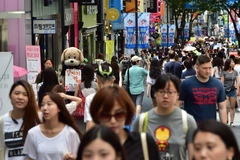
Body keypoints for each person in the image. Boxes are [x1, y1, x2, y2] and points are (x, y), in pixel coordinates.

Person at [133, 74, 197, 160]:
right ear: (155, 93)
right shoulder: (141, 121)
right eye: (161, 92)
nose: (165, 96)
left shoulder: (188, 121)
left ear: (177, 95)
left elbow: (193, 155)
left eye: (170, 92)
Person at [90, 86, 159, 160]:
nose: (113, 121)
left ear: (127, 114)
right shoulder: (90, 147)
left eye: (119, 114)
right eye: (105, 115)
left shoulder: (144, 143)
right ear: (97, 116)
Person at [23, 92, 82, 160]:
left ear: (59, 108)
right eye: (42, 105)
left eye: (49, 104)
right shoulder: (32, 133)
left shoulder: (70, 133)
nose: (45, 108)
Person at [176, 55, 227, 123]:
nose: (208, 71)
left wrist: (224, 129)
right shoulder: (186, 84)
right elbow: (176, 105)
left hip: (211, 127)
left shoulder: (218, 84)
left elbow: (222, 108)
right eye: (204, 68)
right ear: (197, 68)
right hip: (192, 128)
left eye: (209, 68)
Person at [0, 80, 40, 160]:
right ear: (10, 96)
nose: (20, 97)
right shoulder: (3, 120)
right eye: (17, 93)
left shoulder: (37, 119)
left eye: (25, 94)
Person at [85, 63, 115, 131]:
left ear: (97, 80)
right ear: (113, 80)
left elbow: (90, 125)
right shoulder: (121, 97)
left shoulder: (90, 99)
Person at [221, 59, 238, 126]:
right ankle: (226, 120)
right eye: (232, 62)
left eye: (233, 62)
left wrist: (237, 88)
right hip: (225, 90)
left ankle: (232, 121)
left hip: (233, 90)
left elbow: (237, 81)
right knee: (225, 107)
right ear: (228, 64)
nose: (233, 63)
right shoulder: (224, 72)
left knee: (232, 106)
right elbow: (221, 82)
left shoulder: (235, 72)